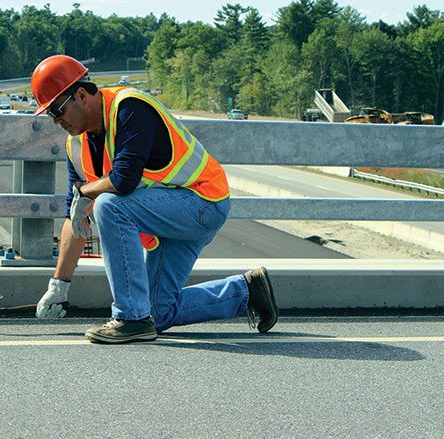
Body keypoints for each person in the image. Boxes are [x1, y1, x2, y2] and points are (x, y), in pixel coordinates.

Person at [30, 55, 278, 344]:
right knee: (157, 313)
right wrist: (58, 285)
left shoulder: (130, 107)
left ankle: (130, 318)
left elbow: (124, 180)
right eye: (50, 115)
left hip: (203, 203)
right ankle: (247, 291)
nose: (57, 121)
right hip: (169, 219)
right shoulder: (76, 146)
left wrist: (86, 193)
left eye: (58, 110)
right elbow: (75, 217)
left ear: (81, 95)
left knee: (109, 205)